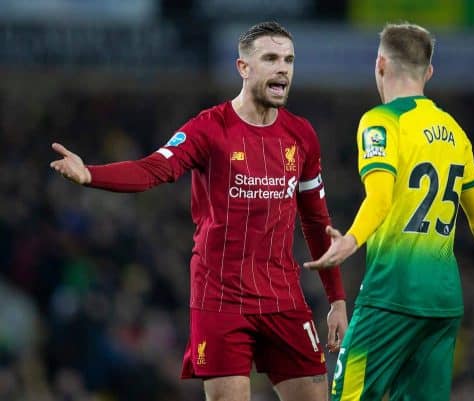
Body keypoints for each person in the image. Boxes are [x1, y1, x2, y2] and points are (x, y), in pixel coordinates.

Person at [50, 21, 348, 401]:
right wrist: (91, 173)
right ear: (243, 68)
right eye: (270, 58)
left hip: (282, 295)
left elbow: (317, 221)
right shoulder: (210, 128)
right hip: (220, 297)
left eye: (289, 59)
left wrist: (336, 299)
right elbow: (154, 168)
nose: (282, 68)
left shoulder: (301, 135)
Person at [304, 23, 474, 401]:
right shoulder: (455, 132)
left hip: (392, 295)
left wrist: (352, 240)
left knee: (347, 395)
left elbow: (380, 197)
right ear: (429, 73)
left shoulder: (381, 122)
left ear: (379, 65)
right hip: (443, 304)